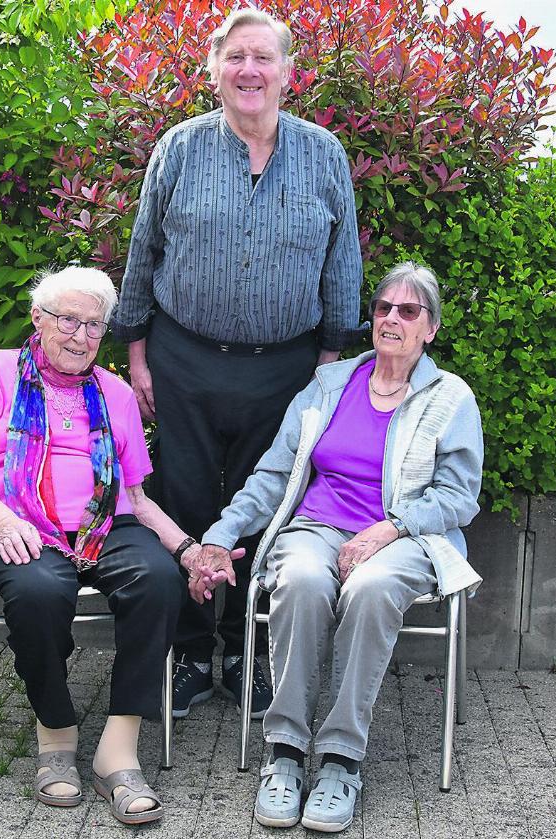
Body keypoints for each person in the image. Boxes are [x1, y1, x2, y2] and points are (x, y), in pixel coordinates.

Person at [111, 7, 363, 719]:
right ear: (214, 69)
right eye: (235, 58)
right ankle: (191, 652)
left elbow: (342, 268)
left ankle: (248, 652)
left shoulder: (325, 155)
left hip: (286, 369)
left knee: (269, 510)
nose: (249, 70)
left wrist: (327, 370)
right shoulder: (180, 148)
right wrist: (136, 352)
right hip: (183, 358)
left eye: (263, 57)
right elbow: (142, 254)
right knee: (188, 501)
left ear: (288, 71)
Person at [196, 262, 484, 832]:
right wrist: (220, 536)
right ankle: (285, 752)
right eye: (383, 309)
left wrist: (389, 528)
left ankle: (342, 759)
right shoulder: (329, 385)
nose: (392, 319)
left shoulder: (451, 398)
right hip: (318, 527)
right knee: (300, 579)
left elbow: (459, 495)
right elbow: (275, 474)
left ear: (430, 328)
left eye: (408, 311)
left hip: (403, 538)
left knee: (373, 587)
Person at [0, 266, 239, 824]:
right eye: (68, 320)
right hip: (14, 524)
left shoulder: (114, 392)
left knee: (157, 580)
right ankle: (56, 738)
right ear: (38, 319)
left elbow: (138, 498)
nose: (81, 336)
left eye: (93, 326)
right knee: (38, 591)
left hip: (106, 525)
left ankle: (118, 751)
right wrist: (1, 520)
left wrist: (189, 551)